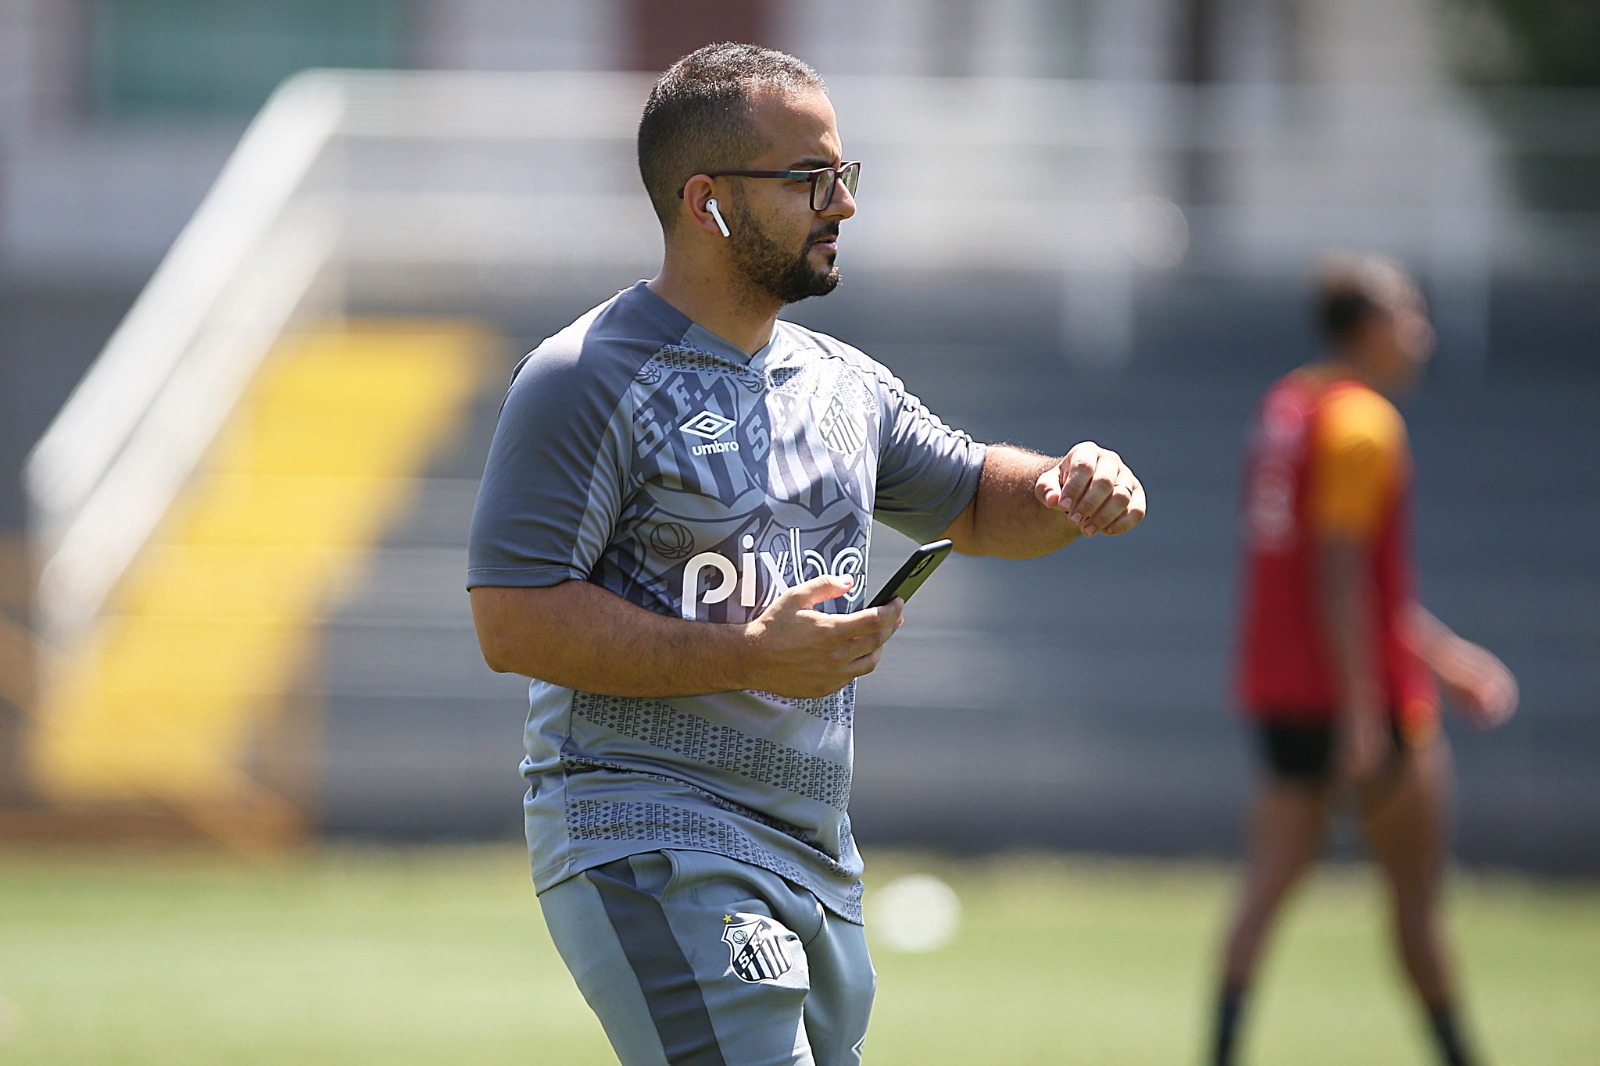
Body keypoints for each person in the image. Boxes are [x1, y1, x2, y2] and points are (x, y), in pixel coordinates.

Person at [467, 42, 1145, 1066]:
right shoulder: (582, 378)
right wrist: (747, 655)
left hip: (816, 857)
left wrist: (1066, 485)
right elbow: (512, 620)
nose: (844, 205)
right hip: (646, 833)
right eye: (809, 179)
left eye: (844, 174)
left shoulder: (845, 384)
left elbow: (975, 499)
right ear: (708, 203)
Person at [1209, 253, 1518, 1066]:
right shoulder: (1361, 424)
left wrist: (1444, 658)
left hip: (1280, 691)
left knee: (1264, 892)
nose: (1422, 334)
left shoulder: (1286, 409)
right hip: (1362, 699)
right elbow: (1341, 572)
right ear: (1371, 329)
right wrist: (1360, 714)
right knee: (1417, 906)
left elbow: (1328, 573)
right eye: (1409, 316)